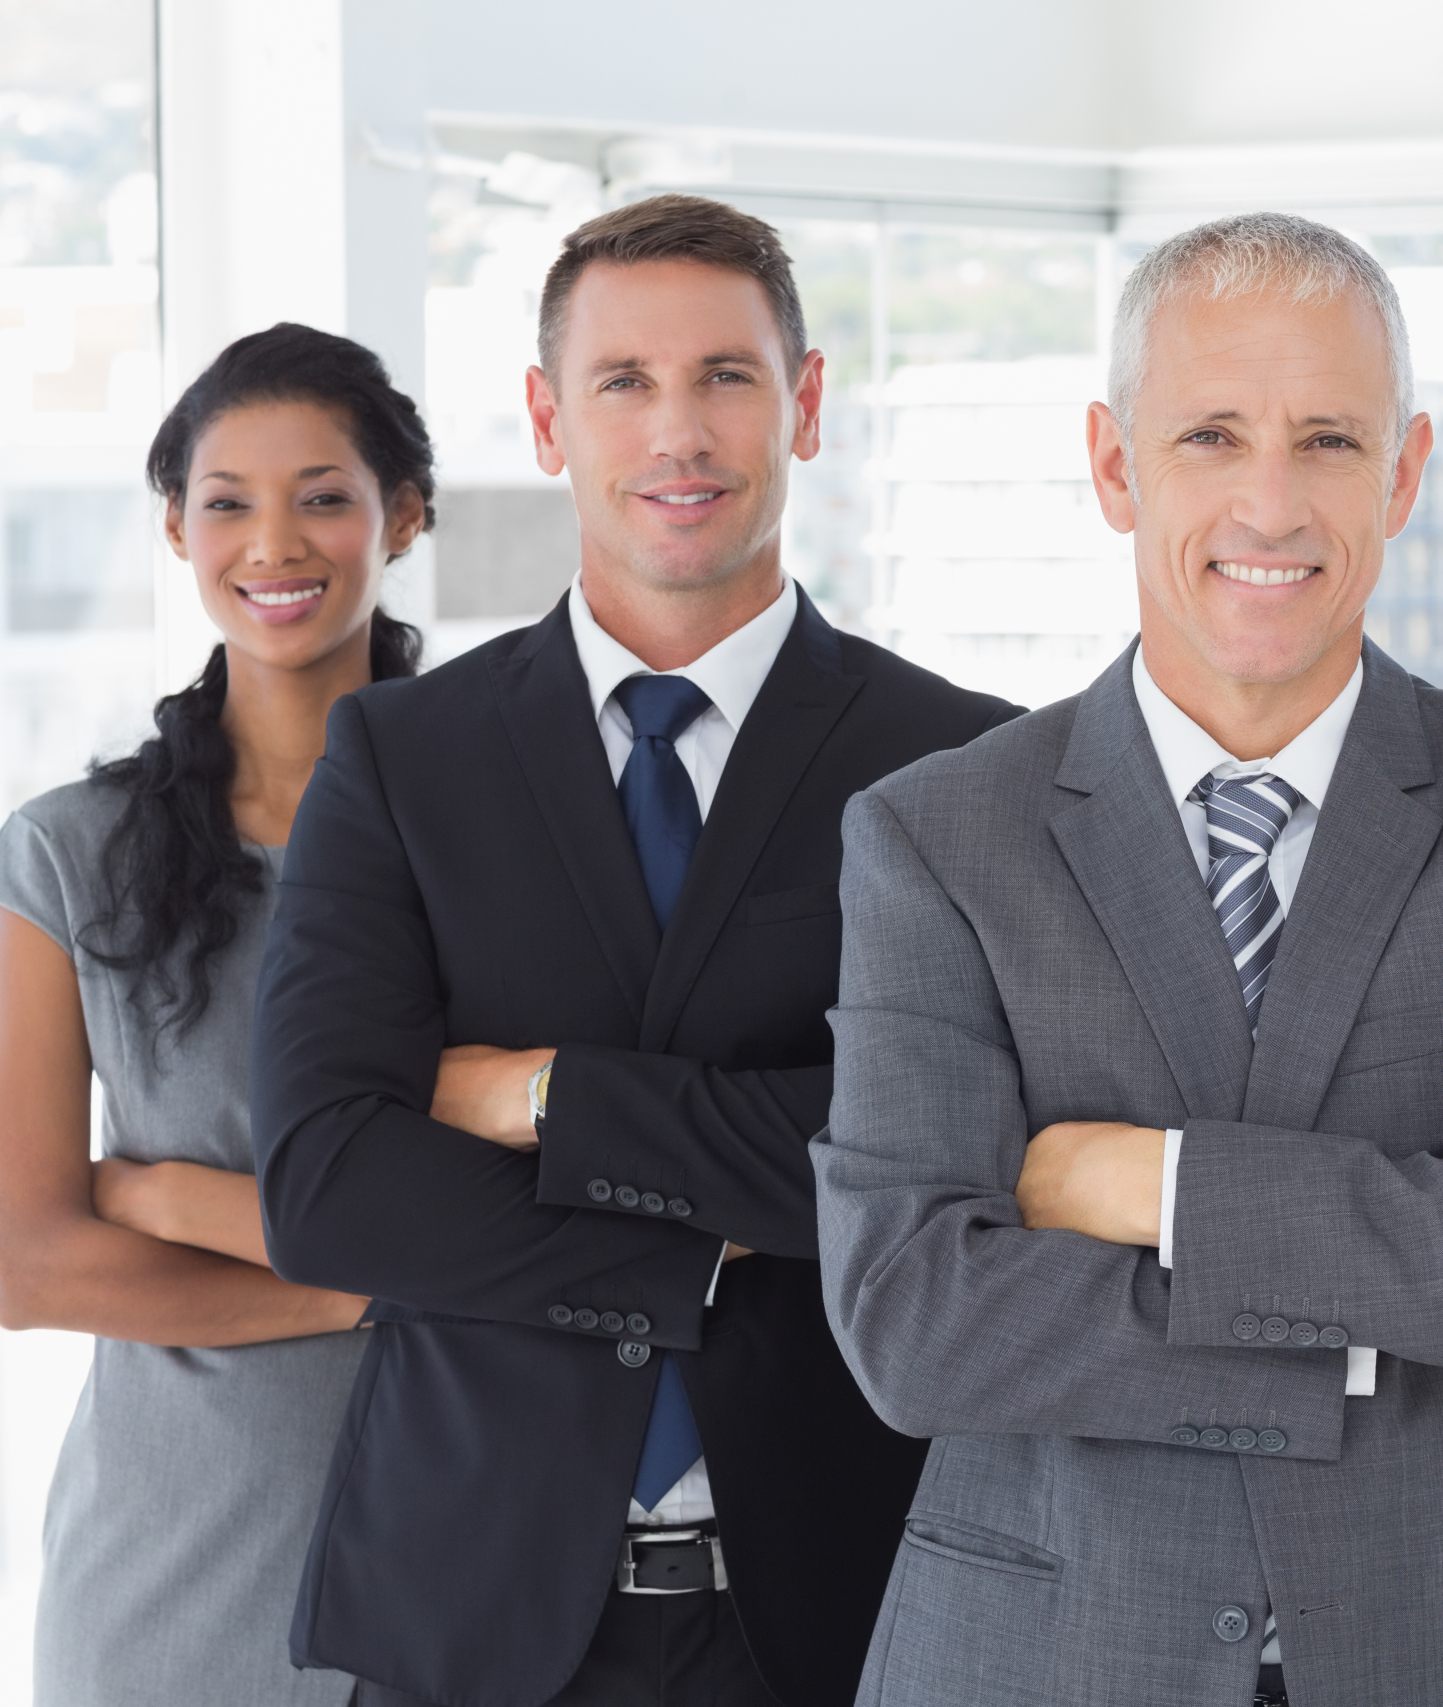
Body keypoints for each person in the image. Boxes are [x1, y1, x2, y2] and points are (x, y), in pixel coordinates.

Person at [812, 211, 1443, 1707]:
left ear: (1405, 472)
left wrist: (1164, 1191)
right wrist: (1360, 1344)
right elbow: (917, 1320)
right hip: (1058, 1654)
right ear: (1116, 466)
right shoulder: (935, 837)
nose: (1272, 505)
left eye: (1330, 442)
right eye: (1212, 436)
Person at [251, 195, 1017, 1707]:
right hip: (470, 1614)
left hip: (849, 1615)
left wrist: (548, 1099)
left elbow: (954, 1156)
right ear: (549, 420)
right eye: (624, 382)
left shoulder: (957, 766)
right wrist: (719, 1244)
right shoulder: (402, 759)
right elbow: (327, 1189)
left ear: (804, 404)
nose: (680, 433)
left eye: (726, 376)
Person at [0, 323, 425, 1705]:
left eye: (323, 496)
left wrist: (177, 1202)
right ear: (178, 528)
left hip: (473, 1556)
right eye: (228, 502)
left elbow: (554, 1191)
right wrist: (376, 1291)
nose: (274, 544)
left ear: (403, 516)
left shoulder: (507, 834)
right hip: (168, 1590)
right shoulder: (66, 854)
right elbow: (27, 1263)